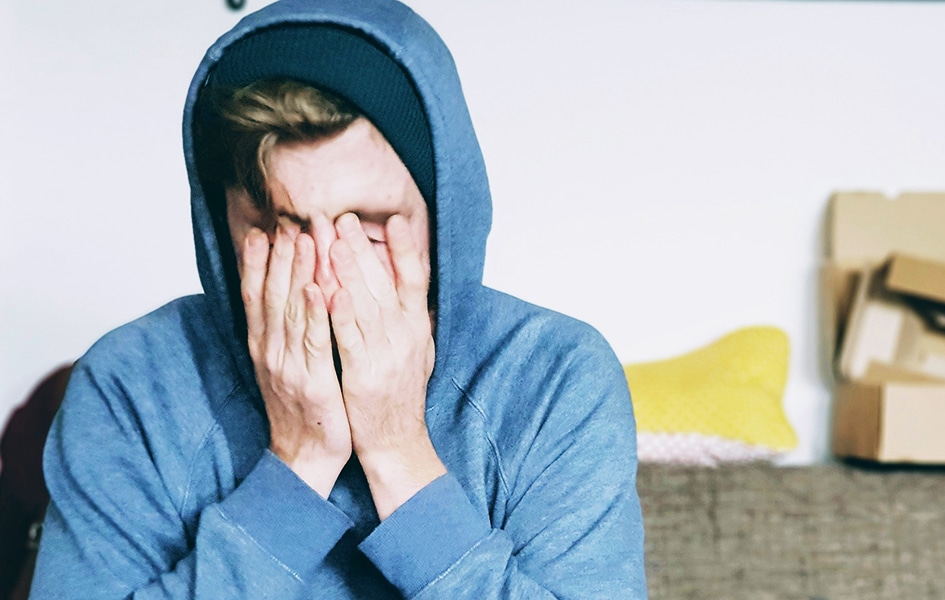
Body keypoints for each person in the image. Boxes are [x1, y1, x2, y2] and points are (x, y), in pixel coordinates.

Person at [29, 0, 647, 598]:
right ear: (222, 229)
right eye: (281, 229)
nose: (324, 277)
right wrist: (297, 464)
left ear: (443, 216)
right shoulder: (132, 384)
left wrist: (396, 448)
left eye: (369, 229)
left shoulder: (556, 376)